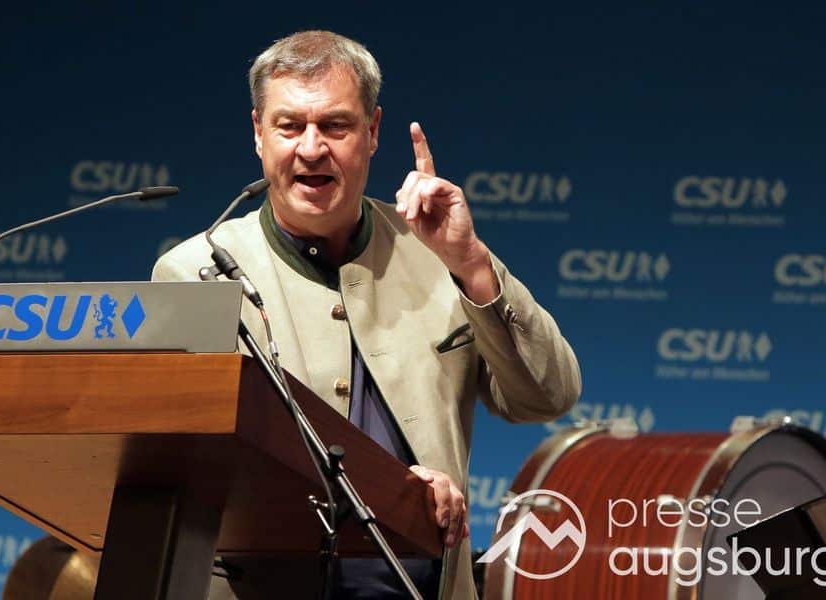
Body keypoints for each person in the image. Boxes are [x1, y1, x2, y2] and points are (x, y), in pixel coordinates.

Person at [153, 30, 581, 600]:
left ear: (373, 132)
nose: (311, 149)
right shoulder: (195, 272)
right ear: (258, 133)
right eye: (289, 126)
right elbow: (196, 472)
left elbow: (547, 397)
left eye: (335, 126)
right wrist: (390, 493)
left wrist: (472, 264)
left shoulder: (437, 249)